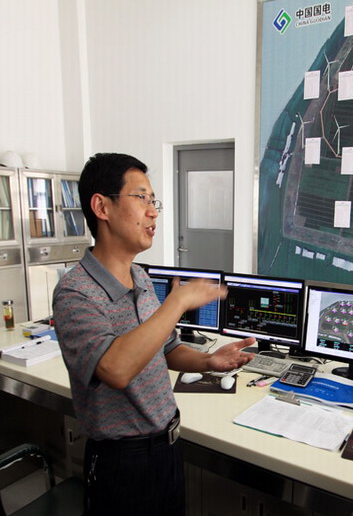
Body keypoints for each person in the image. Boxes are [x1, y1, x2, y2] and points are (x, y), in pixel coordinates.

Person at [53, 153, 255, 516]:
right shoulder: (75, 292)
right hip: (122, 463)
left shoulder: (141, 277)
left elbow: (165, 348)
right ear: (101, 206)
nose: (153, 212)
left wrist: (208, 361)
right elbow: (115, 368)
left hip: (167, 447)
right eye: (141, 198)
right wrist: (177, 303)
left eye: (154, 201)